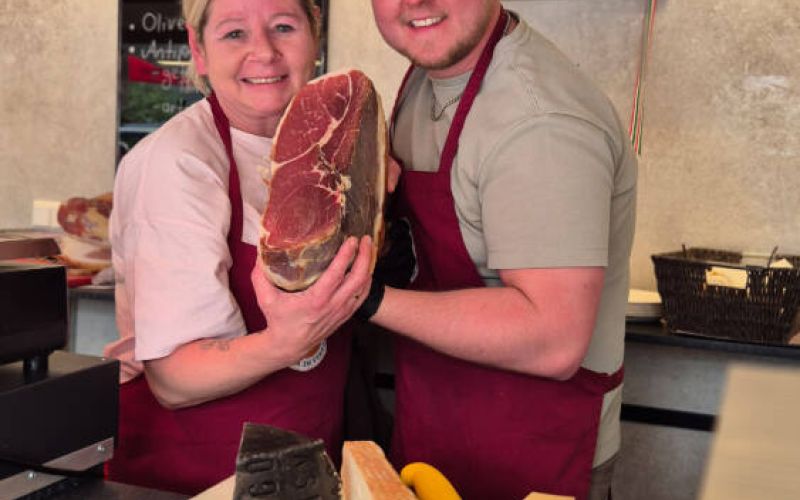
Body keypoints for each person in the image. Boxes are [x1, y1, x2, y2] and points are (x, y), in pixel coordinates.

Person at [363, 1, 638, 499]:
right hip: (432, 439)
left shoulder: (541, 120)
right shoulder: (427, 77)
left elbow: (553, 339)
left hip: (534, 459)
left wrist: (371, 298)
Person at [103, 0, 374, 494]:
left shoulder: (323, 149)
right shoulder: (177, 162)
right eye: (233, 34)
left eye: (283, 27)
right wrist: (289, 341)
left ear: (314, 40)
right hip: (193, 479)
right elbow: (174, 380)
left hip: (302, 466)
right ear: (198, 51)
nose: (263, 52)